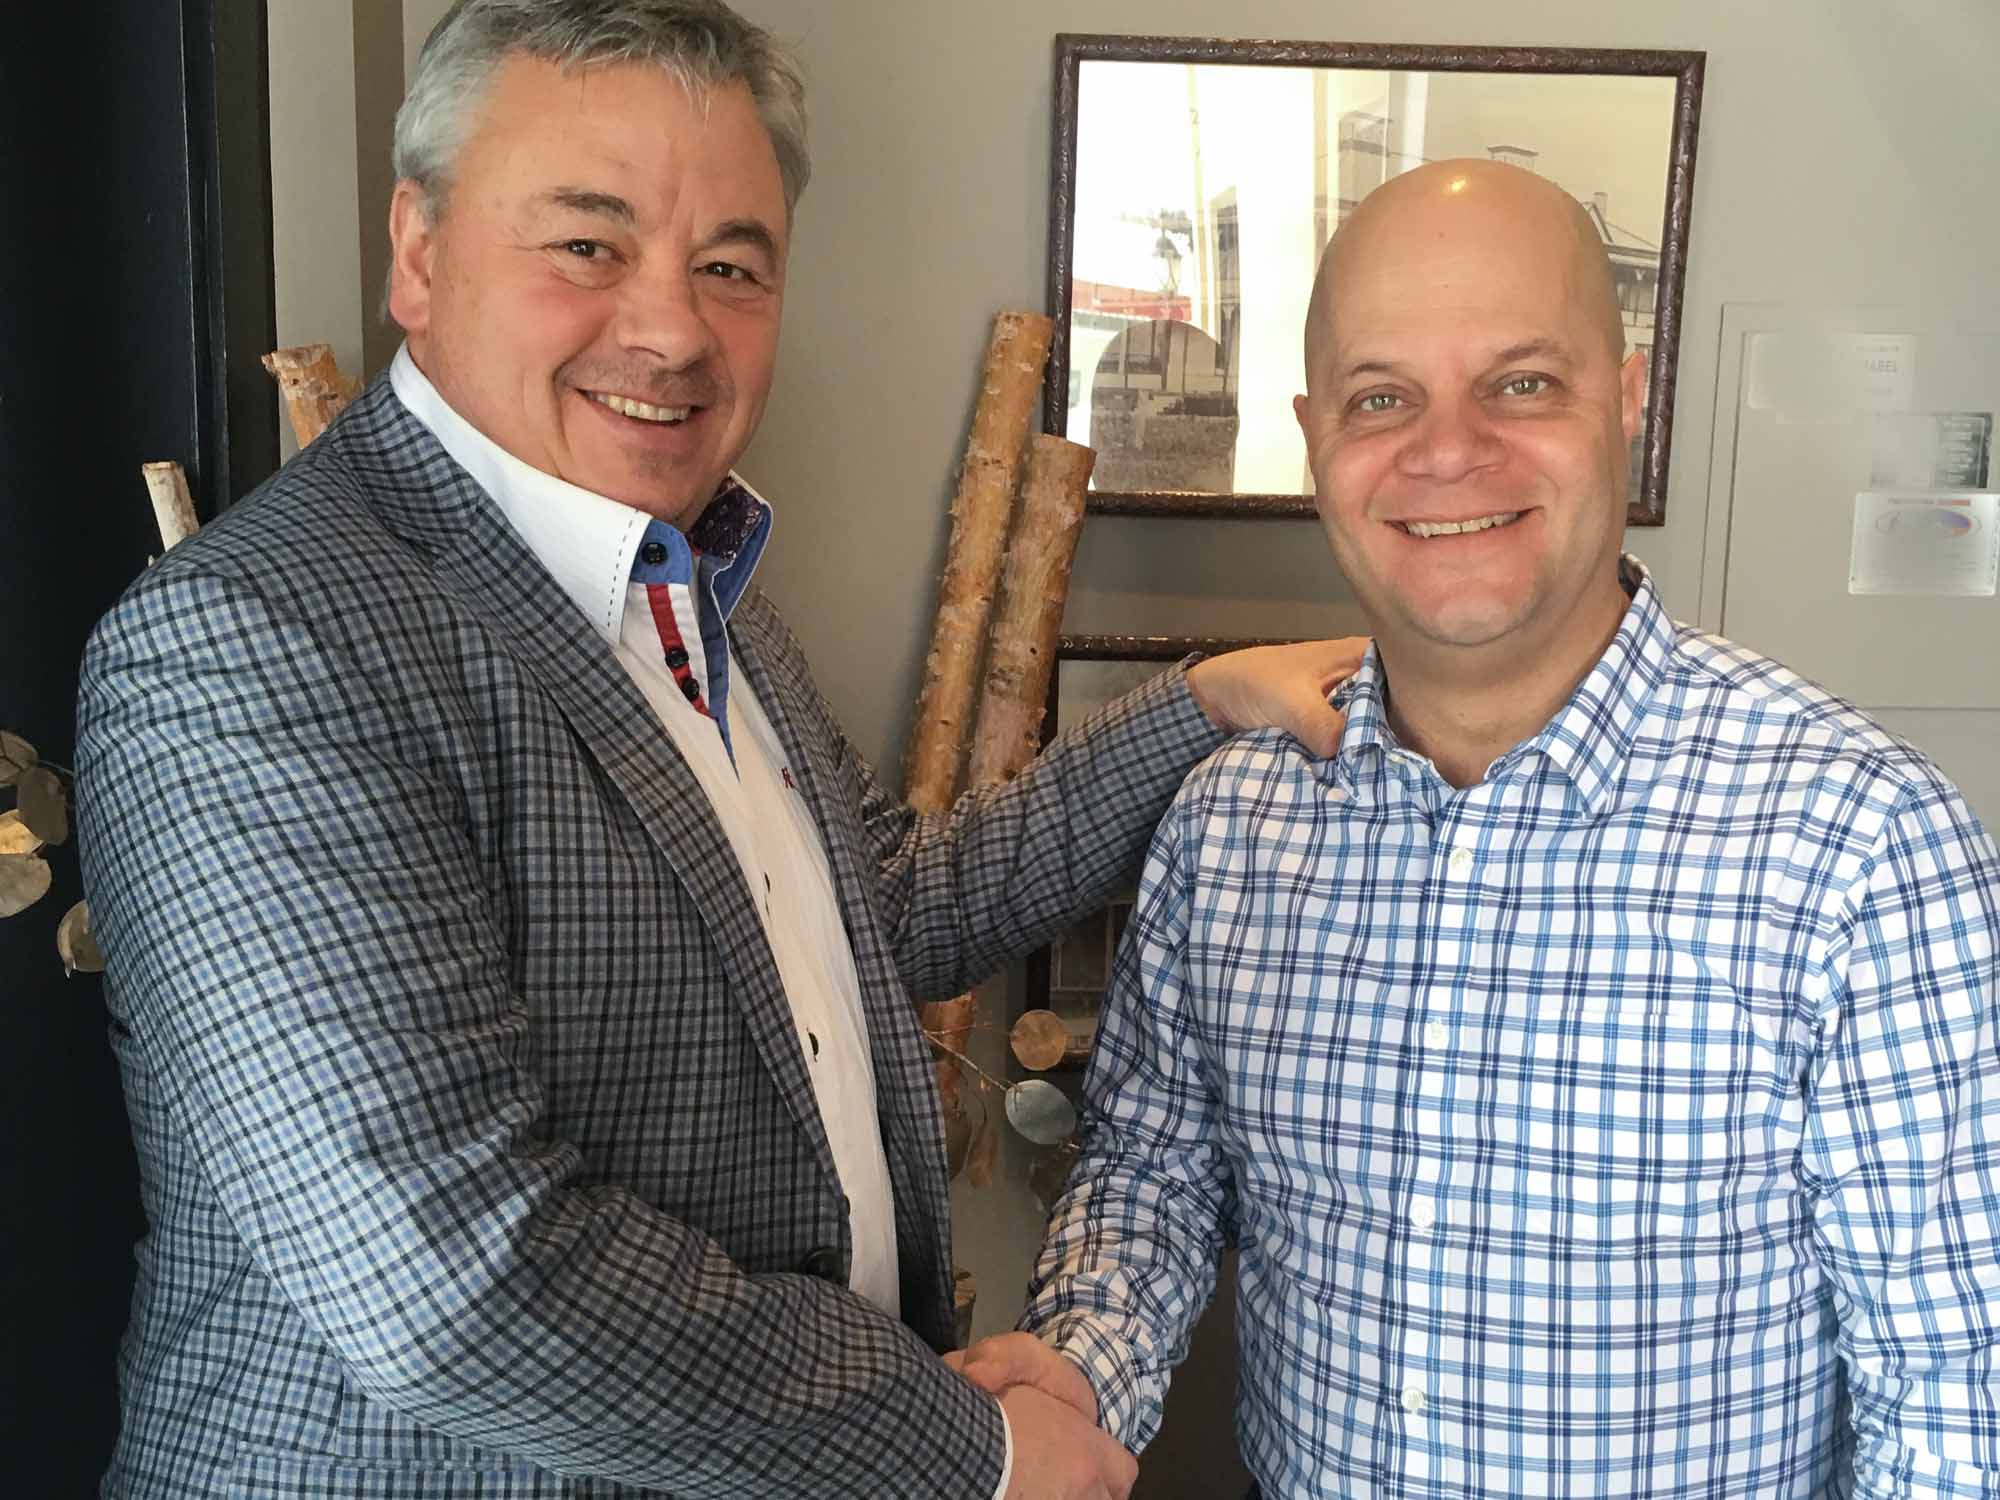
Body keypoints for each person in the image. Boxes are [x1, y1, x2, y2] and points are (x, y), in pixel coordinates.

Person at [72, 3, 1363, 1496]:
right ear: (417, 251)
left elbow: (892, 905)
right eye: (588, 243)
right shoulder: (254, 638)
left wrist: (1199, 706)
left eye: (731, 267)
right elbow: (454, 1285)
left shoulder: (684, 581)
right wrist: (978, 1457)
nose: (673, 330)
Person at [958, 158, 2000, 1497]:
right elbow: (1154, 1172)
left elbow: (1958, 1401)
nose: (1446, 450)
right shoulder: (1232, 826)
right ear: (1315, 435)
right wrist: (1082, 1371)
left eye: (1521, 383)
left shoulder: (1862, 847)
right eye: (1381, 397)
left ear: (1629, 400)